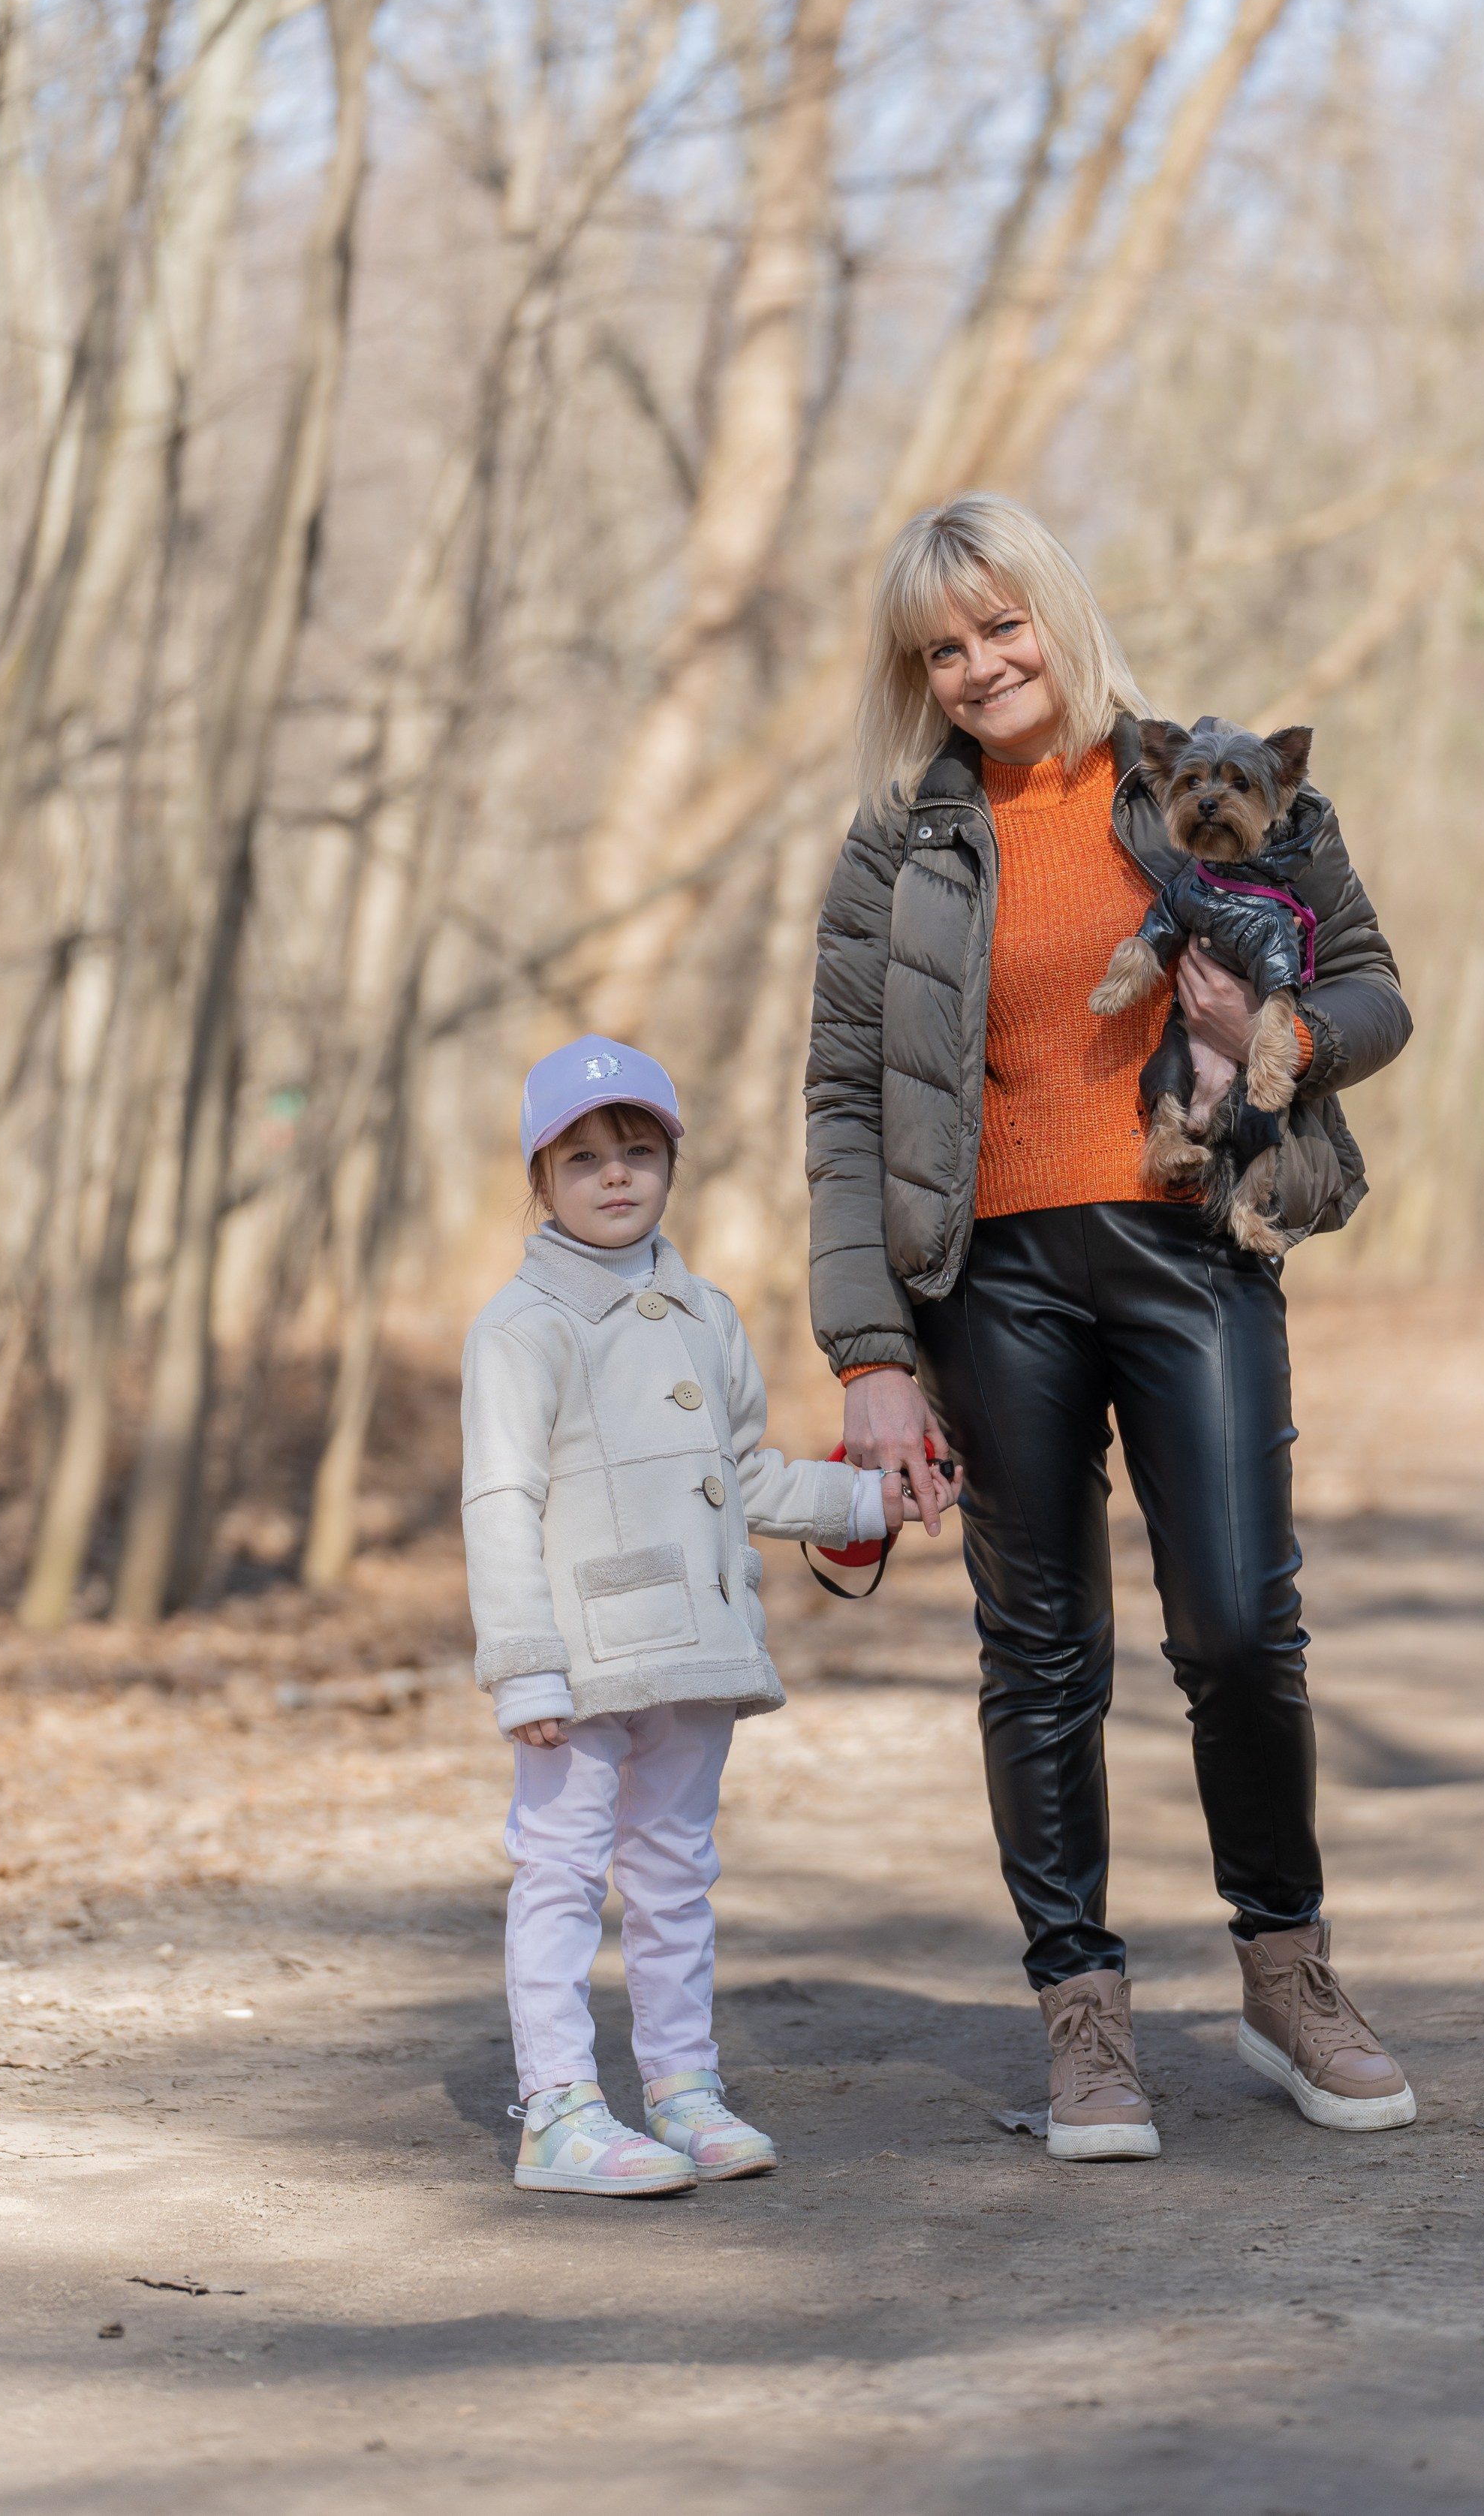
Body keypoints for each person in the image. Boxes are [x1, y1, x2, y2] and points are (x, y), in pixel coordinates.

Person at [805, 493, 1417, 2159]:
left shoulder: (1213, 794)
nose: (980, 664)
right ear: (918, 674)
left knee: (1236, 1625)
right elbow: (847, 1104)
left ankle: (1289, 1976)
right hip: (988, 1276)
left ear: (1058, 618)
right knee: (1041, 1650)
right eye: (943, 647)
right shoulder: (896, 847)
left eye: (1002, 625)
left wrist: (1275, 1022)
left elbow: (1376, 992)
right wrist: (870, 1356)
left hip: (1192, 1240)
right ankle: (1082, 2016)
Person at [462, 1035, 953, 2195]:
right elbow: (499, 1502)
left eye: (636, 1150)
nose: (615, 1175)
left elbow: (746, 1478)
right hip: (582, 1661)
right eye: (583, 1158)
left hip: (694, 1651)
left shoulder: (705, 1315)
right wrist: (523, 1668)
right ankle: (560, 2112)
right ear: (540, 1180)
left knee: (675, 1872)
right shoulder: (523, 1326)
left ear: (672, 1163)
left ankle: (681, 2088)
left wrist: (866, 1497)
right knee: (561, 1875)